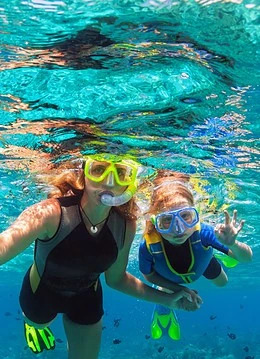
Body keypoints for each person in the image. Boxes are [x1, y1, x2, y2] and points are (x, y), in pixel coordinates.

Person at [0, 154, 194, 359]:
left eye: (121, 173)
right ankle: (32, 325)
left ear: (130, 183)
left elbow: (117, 279)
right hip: (40, 295)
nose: (109, 181)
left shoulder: (126, 225)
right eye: (99, 169)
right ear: (84, 174)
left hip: (87, 300)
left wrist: (168, 300)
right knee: (38, 322)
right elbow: (5, 243)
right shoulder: (51, 213)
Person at [138, 170, 253, 341]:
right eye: (167, 220)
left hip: (202, 262)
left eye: (186, 216)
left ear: (196, 215)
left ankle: (222, 252)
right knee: (166, 293)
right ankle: (163, 311)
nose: (178, 229)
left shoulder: (205, 233)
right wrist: (180, 290)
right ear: (155, 222)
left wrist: (232, 244)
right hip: (169, 278)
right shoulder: (148, 246)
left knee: (223, 283)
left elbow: (247, 258)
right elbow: (148, 275)